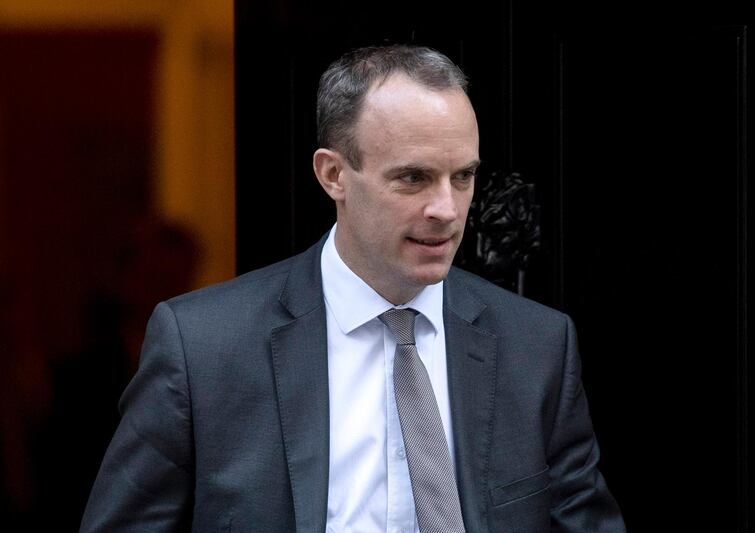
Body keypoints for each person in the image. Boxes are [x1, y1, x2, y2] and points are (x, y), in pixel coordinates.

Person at [81, 44, 625, 532]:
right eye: (413, 178)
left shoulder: (537, 346)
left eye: (463, 177)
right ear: (333, 175)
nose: (447, 209)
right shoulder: (203, 346)